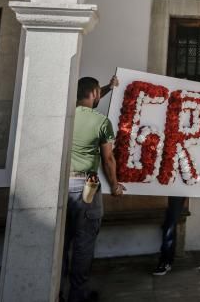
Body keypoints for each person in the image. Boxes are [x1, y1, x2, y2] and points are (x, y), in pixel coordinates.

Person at [63, 75, 125, 302]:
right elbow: (108, 160)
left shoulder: (66, 115)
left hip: (62, 184)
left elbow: (90, 97)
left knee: (62, 241)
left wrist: (107, 87)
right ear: (95, 93)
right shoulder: (101, 122)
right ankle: (77, 294)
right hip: (87, 185)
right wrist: (116, 186)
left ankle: (55, 292)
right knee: (84, 241)